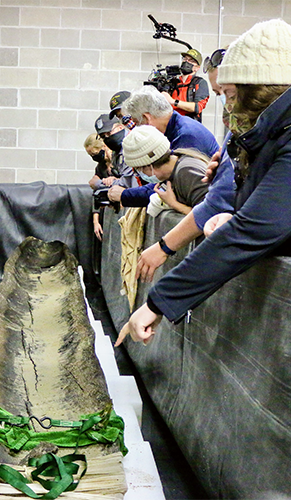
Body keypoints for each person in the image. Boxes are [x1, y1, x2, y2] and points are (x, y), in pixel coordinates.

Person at [116, 18, 291, 346]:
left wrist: (157, 302)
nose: (228, 106)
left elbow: (252, 231)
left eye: (230, 93)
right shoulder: (266, 134)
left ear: (257, 90)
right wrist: (235, 212)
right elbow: (262, 209)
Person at [135, 50, 236, 282]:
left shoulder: (186, 154)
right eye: (219, 94)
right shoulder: (234, 133)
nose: (225, 101)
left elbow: (214, 208)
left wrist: (164, 246)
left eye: (228, 92)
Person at [108, 86, 219, 207]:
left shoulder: (187, 136)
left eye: (137, 123)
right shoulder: (179, 128)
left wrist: (126, 195)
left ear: (146, 118)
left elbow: (169, 187)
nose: (136, 128)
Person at [122, 125, 209, 215]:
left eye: (138, 170)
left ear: (149, 166)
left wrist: (173, 203)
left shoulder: (187, 172)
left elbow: (209, 217)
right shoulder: (175, 170)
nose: (140, 174)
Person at [161, 48, 210, 122]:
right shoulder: (172, 82)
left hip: (189, 125)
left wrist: (173, 101)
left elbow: (197, 107)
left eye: (191, 60)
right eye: (185, 59)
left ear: (197, 68)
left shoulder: (200, 83)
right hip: (171, 123)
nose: (186, 61)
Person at [94, 113, 136, 188]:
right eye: (103, 136)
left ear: (120, 127)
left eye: (109, 133)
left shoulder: (131, 144)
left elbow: (128, 182)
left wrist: (100, 183)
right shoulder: (116, 151)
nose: (107, 138)